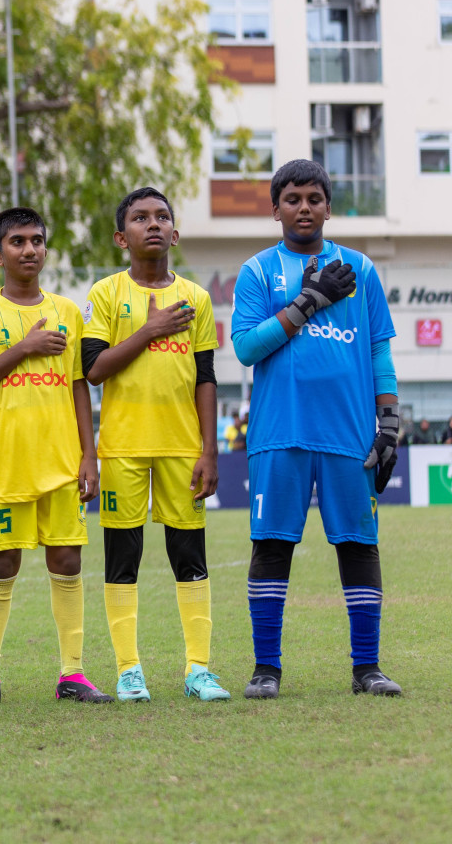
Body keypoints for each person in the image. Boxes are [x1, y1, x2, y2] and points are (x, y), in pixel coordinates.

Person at [232, 159, 402, 699]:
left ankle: (367, 669)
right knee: (272, 545)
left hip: (349, 437)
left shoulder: (362, 269)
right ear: (275, 208)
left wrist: (390, 423)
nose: (303, 208)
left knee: (358, 544)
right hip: (279, 435)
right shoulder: (258, 271)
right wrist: (309, 300)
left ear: (329, 205)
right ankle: (266, 668)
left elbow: (378, 351)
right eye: (292, 199)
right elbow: (245, 347)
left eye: (313, 198)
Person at [0, 207, 110, 706]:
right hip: (5, 463)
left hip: (61, 462)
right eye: (17, 242)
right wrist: (23, 348)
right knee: (3, 562)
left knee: (67, 559)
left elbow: (79, 386)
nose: (29, 249)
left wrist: (90, 456)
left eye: (37, 240)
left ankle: (74, 673)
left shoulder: (67, 310)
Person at [81, 187, 228, 703]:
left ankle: (198, 669)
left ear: (175, 232)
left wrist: (209, 451)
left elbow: (204, 377)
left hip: (183, 448)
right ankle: (129, 670)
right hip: (122, 447)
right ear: (123, 237)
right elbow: (94, 370)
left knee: (189, 555)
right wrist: (150, 329)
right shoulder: (105, 295)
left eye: (162, 216)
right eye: (141, 218)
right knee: (124, 559)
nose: (153, 224)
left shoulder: (197, 298)